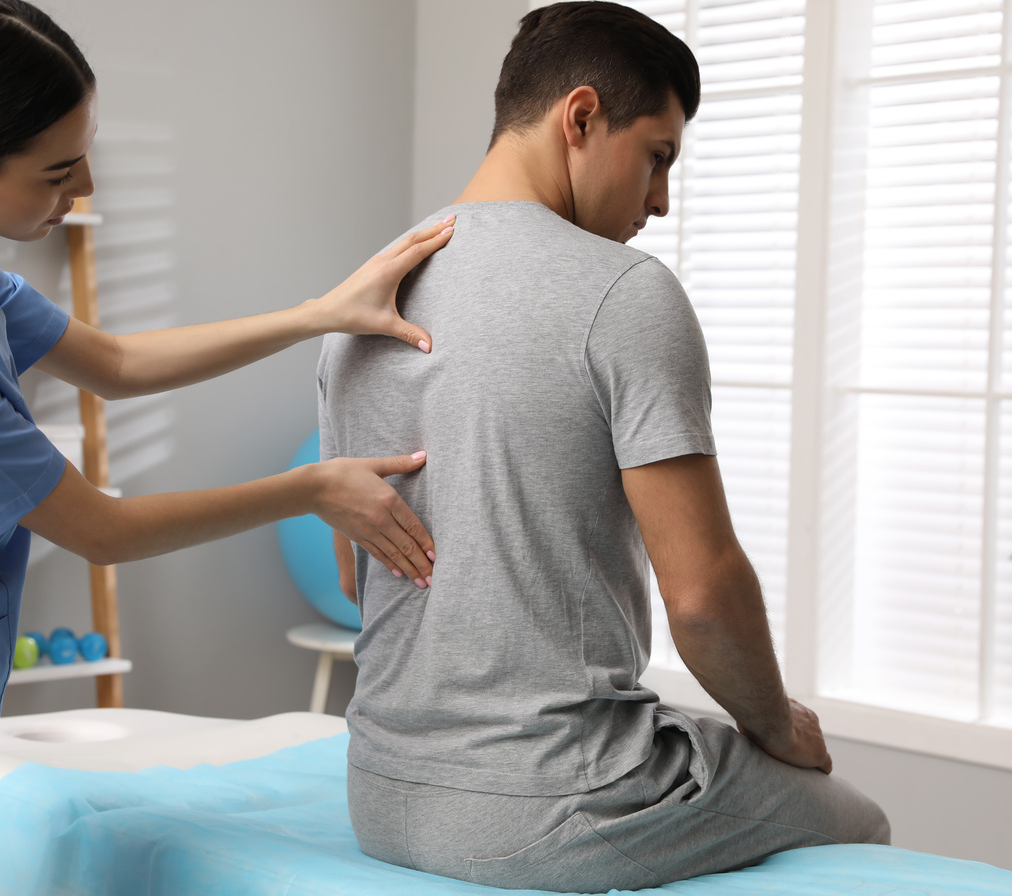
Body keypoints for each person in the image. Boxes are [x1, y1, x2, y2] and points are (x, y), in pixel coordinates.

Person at [0, 0, 449, 892]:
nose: (86, 188)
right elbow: (100, 530)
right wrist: (310, 488)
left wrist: (321, 313)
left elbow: (114, 364)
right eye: (58, 172)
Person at [317, 3, 889, 891]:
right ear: (580, 117)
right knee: (861, 824)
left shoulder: (359, 297)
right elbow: (701, 595)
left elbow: (356, 572)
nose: (661, 201)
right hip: (550, 806)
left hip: (379, 791)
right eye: (658, 157)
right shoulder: (625, 293)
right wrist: (779, 726)